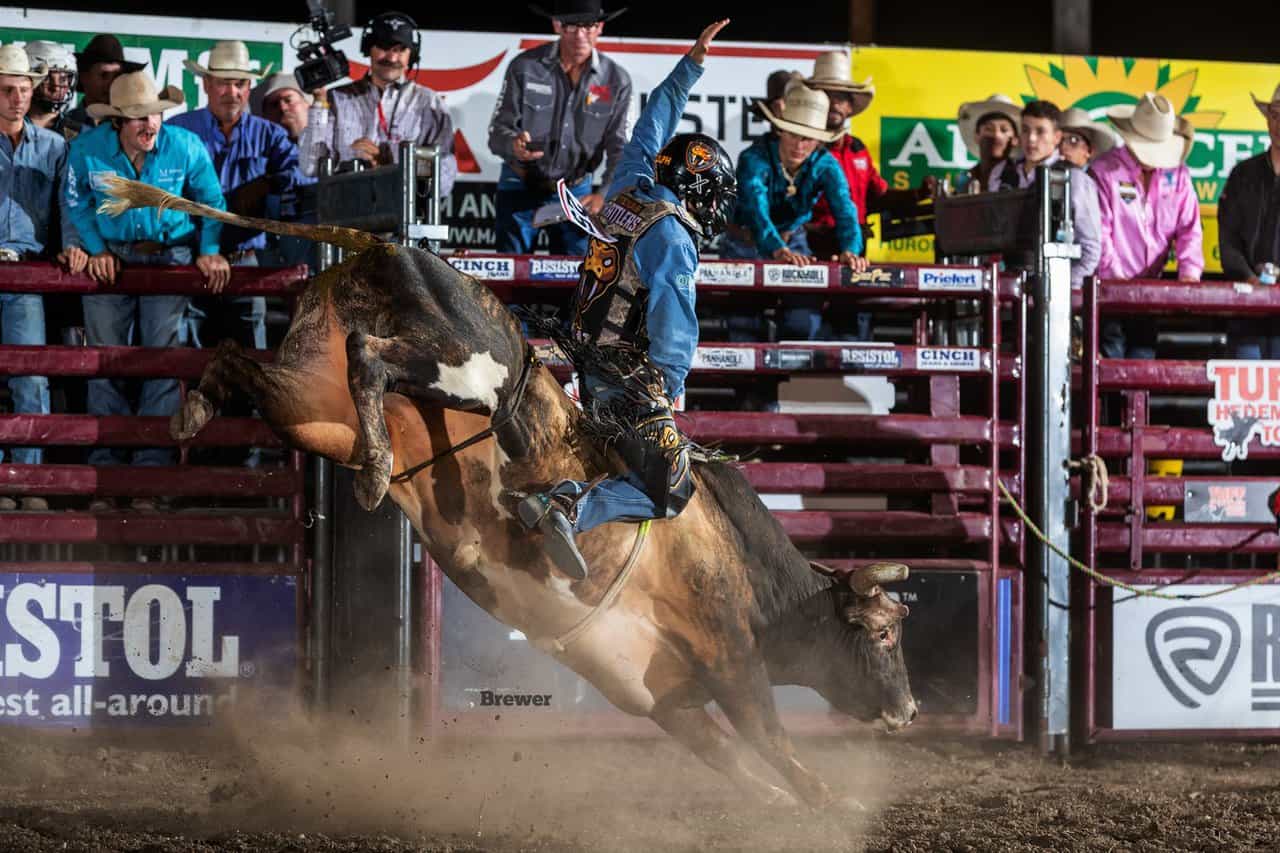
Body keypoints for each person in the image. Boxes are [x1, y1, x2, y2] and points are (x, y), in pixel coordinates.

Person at [513, 20, 737, 580]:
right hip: (627, 379)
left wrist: (692, 64)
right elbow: (674, 322)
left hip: (582, 357)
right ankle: (567, 505)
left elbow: (652, 124)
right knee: (670, 487)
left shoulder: (628, 186)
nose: (714, 212)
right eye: (714, 199)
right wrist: (670, 386)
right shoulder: (672, 238)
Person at [60, 71, 229, 509]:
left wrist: (209, 250)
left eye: (154, 114)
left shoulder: (184, 146)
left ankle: (149, 475)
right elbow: (74, 202)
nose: (150, 125)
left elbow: (211, 201)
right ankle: (110, 474)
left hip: (169, 255)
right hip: (113, 254)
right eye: (138, 118)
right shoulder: (88, 148)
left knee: (162, 363)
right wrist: (95, 248)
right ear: (117, 122)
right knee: (106, 361)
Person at [169, 41, 297, 352]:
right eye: (224, 83)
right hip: (189, 258)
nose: (233, 92)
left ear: (249, 87)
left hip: (245, 260)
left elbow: (300, 175)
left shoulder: (271, 135)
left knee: (251, 360)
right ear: (206, 84)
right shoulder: (176, 130)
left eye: (240, 83)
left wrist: (270, 181)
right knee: (187, 357)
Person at [721, 83, 869, 340]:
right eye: (792, 134)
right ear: (780, 130)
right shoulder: (752, 159)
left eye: (808, 138)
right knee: (743, 324)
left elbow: (846, 209)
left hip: (794, 240)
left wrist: (851, 250)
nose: (799, 145)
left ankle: (789, 373)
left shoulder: (826, 165)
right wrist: (777, 249)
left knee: (802, 322)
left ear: (819, 140)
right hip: (745, 242)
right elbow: (756, 209)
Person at [488, 0, 633, 255]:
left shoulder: (617, 80)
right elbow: (497, 132)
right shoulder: (524, 66)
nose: (579, 35)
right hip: (519, 184)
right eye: (571, 26)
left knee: (577, 279)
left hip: (577, 192)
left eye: (587, 26)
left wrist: (604, 193)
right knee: (510, 278)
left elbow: (620, 148)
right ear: (557, 25)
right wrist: (513, 145)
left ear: (599, 27)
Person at [0, 45, 71, 510]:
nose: (18, 98)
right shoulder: (56, 147)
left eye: (24, 89)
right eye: (8, 90)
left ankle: (26, 477)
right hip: (22, 271)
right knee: (27, 377)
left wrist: (74, 244)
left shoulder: (56, 148)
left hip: (26, 268)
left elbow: (69, 207)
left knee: (32, 378)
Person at [299, 10, 456, 202]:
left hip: (405, 218)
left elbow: (444, 182)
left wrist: (393, 166)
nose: (391, 58)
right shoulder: (335, 99)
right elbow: (309, 167)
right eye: (383, 47)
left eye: (400, 49)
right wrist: (318, 103)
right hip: (346, 215)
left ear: (411, 56)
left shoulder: (430, 103)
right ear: (367, 49)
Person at [1091, 92, 1203, 359]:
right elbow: (1100, 231)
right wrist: (1115, 281)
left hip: (1151, 291)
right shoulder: (1104, 171)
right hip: (1109, 290)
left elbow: (1189, 227)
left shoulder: (1177, 175)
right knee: (1111, 359)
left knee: (1142, 362)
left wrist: (1189, 273)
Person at [986, 100, 1100, 289]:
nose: (1031, 139)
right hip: (1005, 287)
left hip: (1055, 289)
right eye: (1025, 130)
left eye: (1040, 131)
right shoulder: (1001, 173)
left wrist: (1063, 288)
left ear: (1057, 137)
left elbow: (1089, 248)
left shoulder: (1074, 179)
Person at [1219, 84, 1280, 357]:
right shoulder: (1242, 175)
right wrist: (1249, 277)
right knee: (1246, 392)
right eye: (1276, 115)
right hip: (1246, 307)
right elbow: (1228, 241)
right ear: (1267, 119)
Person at [253, 72, 318, 270]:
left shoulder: (329, 144)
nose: (282, 107)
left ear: (307, 103)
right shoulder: (256, 155)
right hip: (270, 263)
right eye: (273, 104)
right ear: (263, 116)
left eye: (288, 100)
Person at [64, 34, 144, 132]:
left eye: (116, 76)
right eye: (104, 75)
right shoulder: (64, 125)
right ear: (84, 77)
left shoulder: (132, 125)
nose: (111, 83)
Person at [956, 94, 1020, 193]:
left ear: (1015, 139)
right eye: (989, 129)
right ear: (976, 136)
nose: (996, 135)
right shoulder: (965, 178)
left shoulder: (1021, 177)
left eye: (1004, 130)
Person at [23, 41, 81, 140]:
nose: (56, 87)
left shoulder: (79, 134)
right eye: (47, 78)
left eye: (63, 79)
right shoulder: (9, 127)